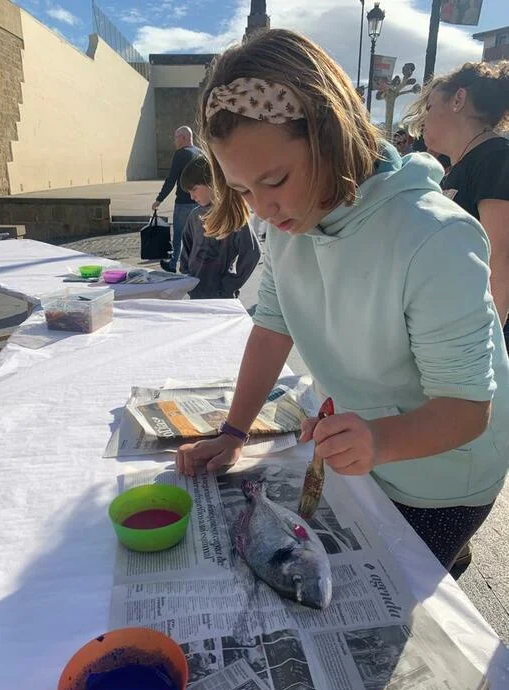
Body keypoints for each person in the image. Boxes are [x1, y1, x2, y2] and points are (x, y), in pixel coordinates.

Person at [176, 28, 509, 572]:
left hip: (444, 479)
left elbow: (468, 409)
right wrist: (234, 431)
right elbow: (272, 326)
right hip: (364, 450)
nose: (262, 209)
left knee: (399, 588)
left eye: (275, 180)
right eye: (242, 190)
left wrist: (378, 439)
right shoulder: (289, 221)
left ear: (330, 134)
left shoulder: (435, 236)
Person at [404, 61, 509, 352]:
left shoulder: (496, 158)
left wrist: (488, 351)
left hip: (479, 338)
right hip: (457, 328)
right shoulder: (461, 168)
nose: (423, 119)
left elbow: (499, 260)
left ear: (458, 99)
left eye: (429, 107)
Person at [179, 154, 261, 299]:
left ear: (212, 183)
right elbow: (186, 247)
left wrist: (230, 284)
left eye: (195, 189)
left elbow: (252, 252)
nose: (192, 197)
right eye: (189, 192)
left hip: (222, 297)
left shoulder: (233, 216)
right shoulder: (194, 216)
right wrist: (186, 275)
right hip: (196, 293)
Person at [152, 125, 201, 272]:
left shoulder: (181, 154)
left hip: (183, 203)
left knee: (179, 235)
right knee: (197, 235)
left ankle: (173, 264)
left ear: (184, 138)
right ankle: (195, 264)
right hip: (200, 202)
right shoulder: (200, 153)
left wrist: (159, 199)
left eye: (176, 138)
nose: (174, 141)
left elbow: (171, 179)